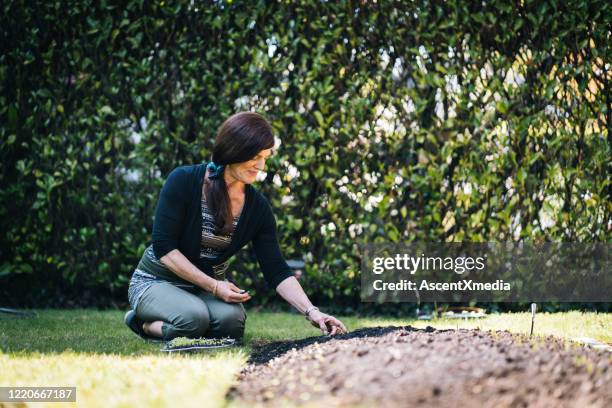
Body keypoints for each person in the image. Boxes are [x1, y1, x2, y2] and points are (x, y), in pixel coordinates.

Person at [124, 111, 348, 342]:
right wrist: (214, 286)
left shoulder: (257, 208)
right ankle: (140, 322)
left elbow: (276, 269)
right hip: (157, 281)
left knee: (231, 324)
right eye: (255, 156)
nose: (261, 166)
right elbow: (164, 248)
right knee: (192, 320)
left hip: (201, 289)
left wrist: (312, 312)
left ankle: (190, 316)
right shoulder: (183, 180)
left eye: (265, 157)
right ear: (234, 149)